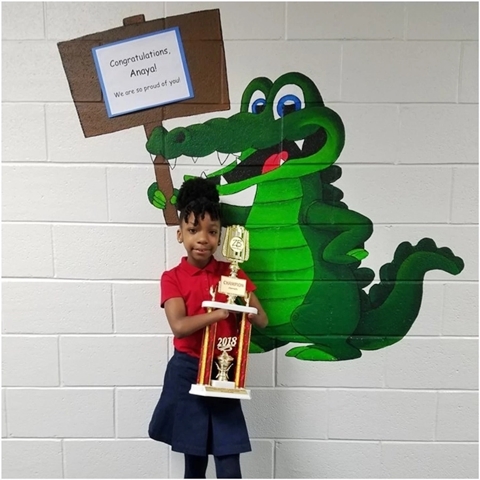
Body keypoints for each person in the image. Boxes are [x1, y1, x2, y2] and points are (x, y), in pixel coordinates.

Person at [148, 177, 268, 479]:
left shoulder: (231, 274)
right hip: (187, 371)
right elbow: (179, 326)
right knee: (195, 464)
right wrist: (218, 314)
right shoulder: (172, 277)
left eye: (212, 231)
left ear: (220, 237)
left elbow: (262, 320)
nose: (203, 238)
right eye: (193, 230)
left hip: (222, 372)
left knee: (229, 464)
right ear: (180, 234)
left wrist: (243, 303)